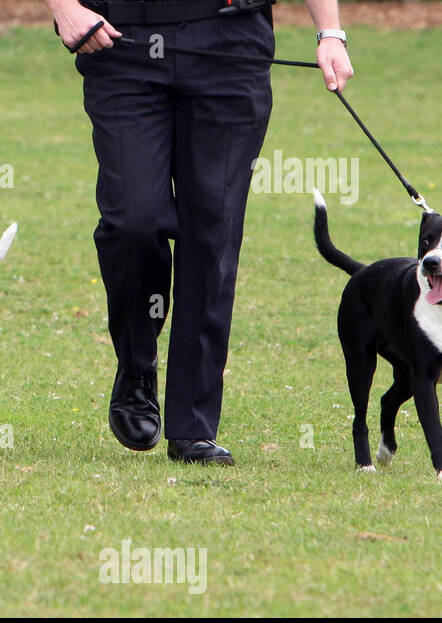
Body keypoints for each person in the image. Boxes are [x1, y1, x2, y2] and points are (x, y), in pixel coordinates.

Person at [48, 0, 353, 465]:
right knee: (134, 220)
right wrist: (65, 6)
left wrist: (329, 31)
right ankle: (136, 364)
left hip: (230, 40)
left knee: (213, 235)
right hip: (122, 39)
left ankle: (193, 425)